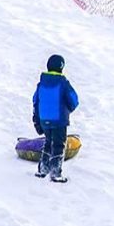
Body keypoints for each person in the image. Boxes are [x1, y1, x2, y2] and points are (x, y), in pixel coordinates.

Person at [32, 53, 80, 183]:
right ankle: (55, 172)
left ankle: (43, 169)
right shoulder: (63, 83)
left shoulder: (41, 83)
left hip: (44, 119)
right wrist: (68, 109)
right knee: (58, 144)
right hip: (59, 120)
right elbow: (74, 100)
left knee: (48, 142)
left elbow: (35, 100)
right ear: (61, 67)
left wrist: (37, 118)